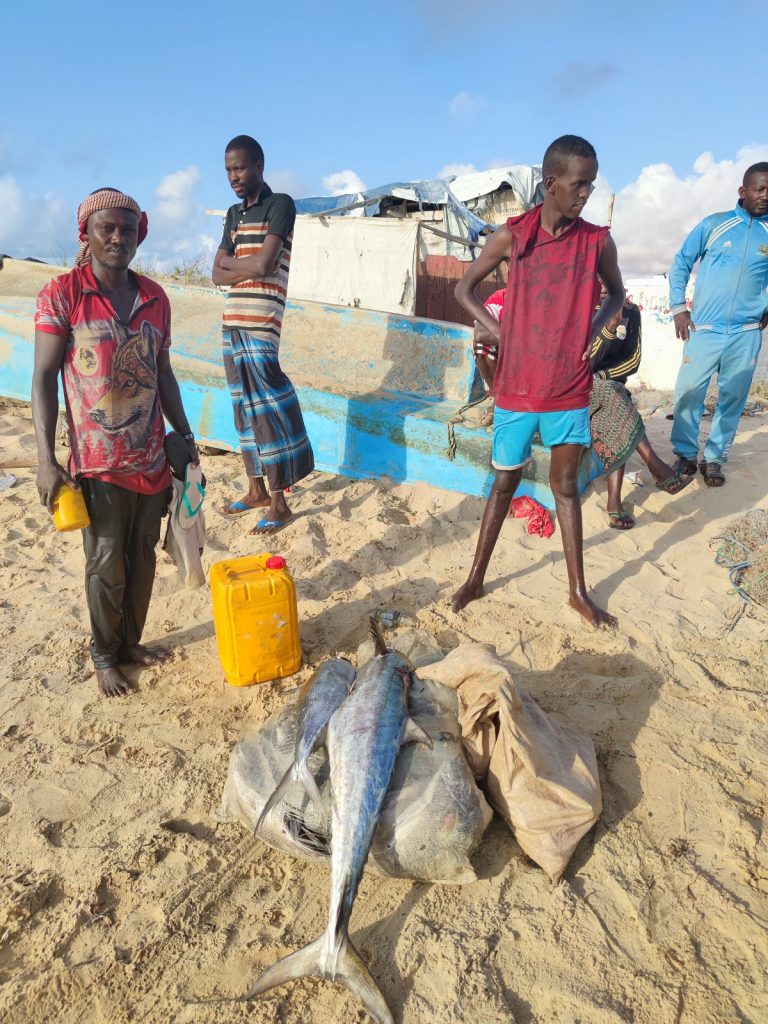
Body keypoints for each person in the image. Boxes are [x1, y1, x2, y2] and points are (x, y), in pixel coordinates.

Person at [451, 134, 625, 629]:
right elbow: (465, 289)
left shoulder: (597, 241)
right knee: (504, 481)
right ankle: (475, 579)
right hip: (517, 388)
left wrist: (590, 331)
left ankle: (577, 592)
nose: (585, 194)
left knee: (565, 487)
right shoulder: (513, 235)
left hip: (569, 387)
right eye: (578, 185)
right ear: (551, 184)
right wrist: (500, 331)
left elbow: (616, 294)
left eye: (590, 185)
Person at [32, 188, 198, 698]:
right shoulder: (63, 295)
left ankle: (130, 644)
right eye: (108, 228)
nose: (118, 238)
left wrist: (185, 434)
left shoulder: (155, 298)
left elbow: (163, 372)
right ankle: (104, 655)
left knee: (143, 558)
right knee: (106, 564)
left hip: (150, 456)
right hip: (96, 463)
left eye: (128, 229)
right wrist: (45, 458)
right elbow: (41, 378)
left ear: (139, 234)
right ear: (87, 233)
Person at [475, 292, 693, 531]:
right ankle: (639, 482)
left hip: (607, 386)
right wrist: (607, 332)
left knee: (614, 398)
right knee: (613, 399)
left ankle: (622, 495)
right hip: (575, 385)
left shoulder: (630, 312)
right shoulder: (577, 308)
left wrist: (602, 377)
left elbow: (634, 360)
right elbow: (583, 360)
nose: (600, 286)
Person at [212, 135, 314, 532]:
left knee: (267, 407)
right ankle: (255, 489)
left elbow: (267, 264)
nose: (233, 177)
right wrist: (248, 267)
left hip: (261, 323)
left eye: (239, 168)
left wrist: (241, 266)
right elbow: (214, 273)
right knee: (241, 407)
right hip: (231, 321)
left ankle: (278, 502)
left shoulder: (280, 204)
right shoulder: (233, 214)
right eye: (227, 171)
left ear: (258, 165)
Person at [669, 162, 768, 487]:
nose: (765, 196)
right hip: (704, 329)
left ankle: (713, 459)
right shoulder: (716, 224)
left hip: (746, 333)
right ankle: (685, 454)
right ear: (743, 191)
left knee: (732, 398)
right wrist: (678, 308)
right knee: (688, 392)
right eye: (760, 189)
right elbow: (683, 260)